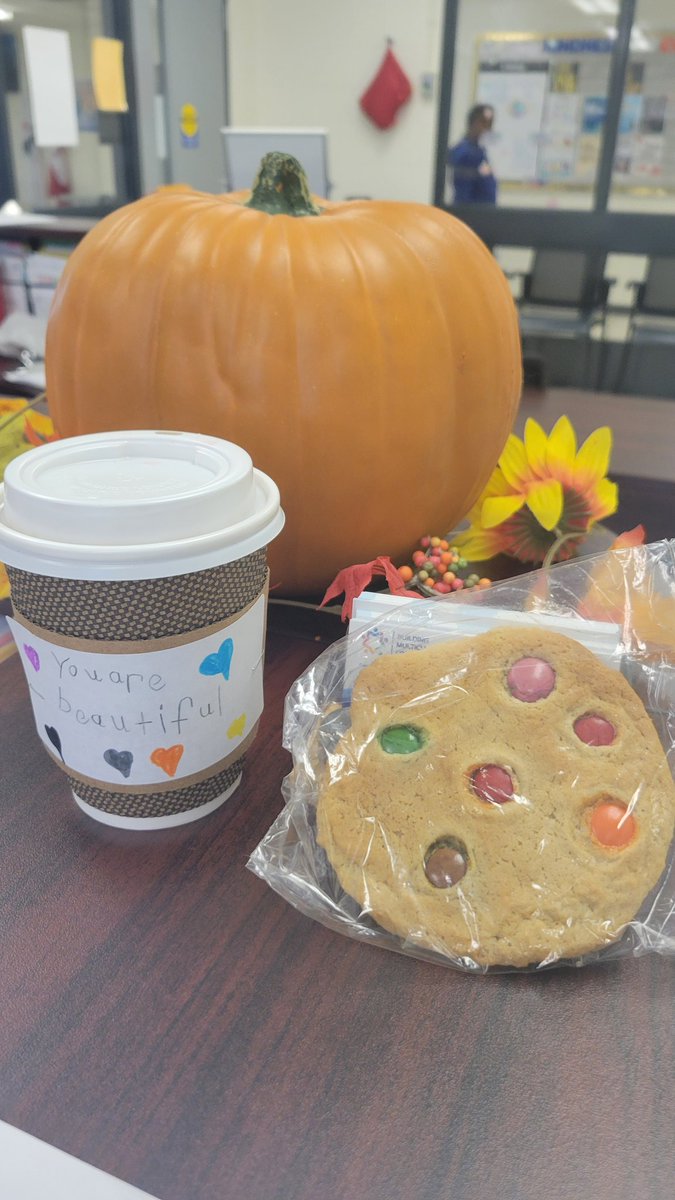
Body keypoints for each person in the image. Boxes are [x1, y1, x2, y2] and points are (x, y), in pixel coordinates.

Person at [448, 104, 497, 204]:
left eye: (490, 125)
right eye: (484, 124)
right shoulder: (463, 151)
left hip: (485, 212)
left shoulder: (480, 150)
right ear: (473, 123)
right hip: (469, 213)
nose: (488, 129)